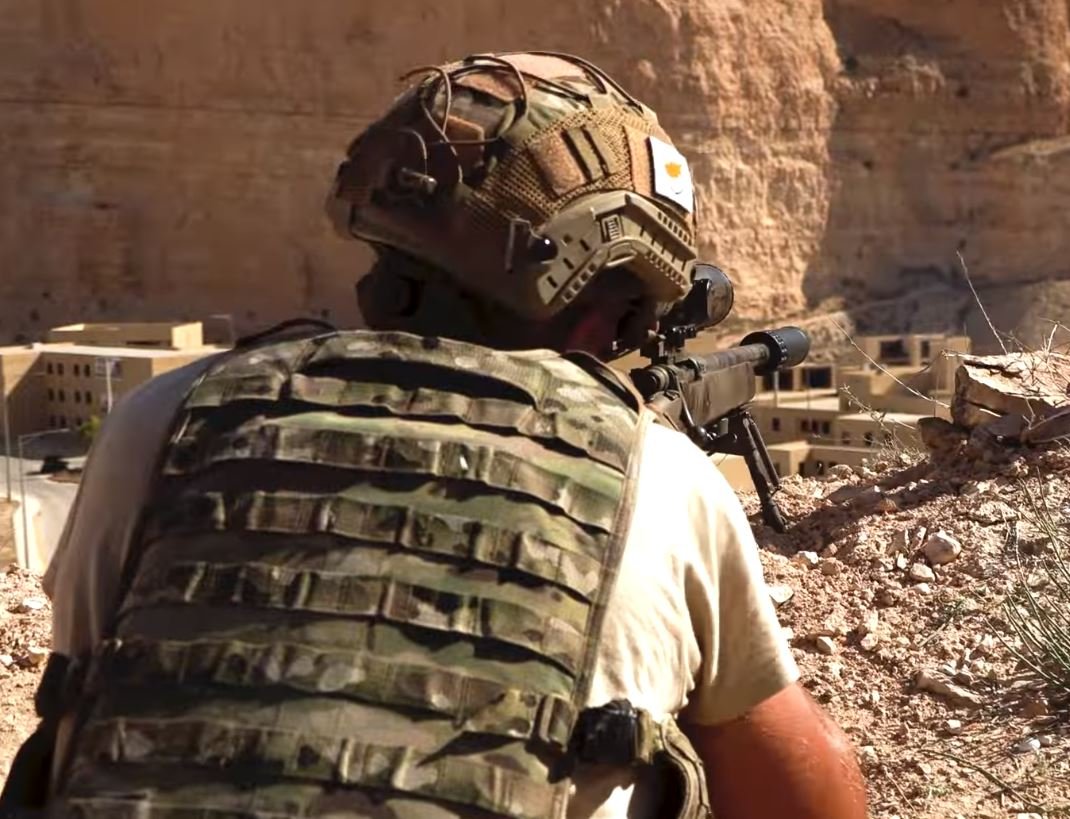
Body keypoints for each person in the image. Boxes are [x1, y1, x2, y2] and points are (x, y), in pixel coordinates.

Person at [2, 52, 867, 819]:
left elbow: (83, 712)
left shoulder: (166, 418)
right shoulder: (660, 480)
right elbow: (809, 802)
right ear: (601, 296)